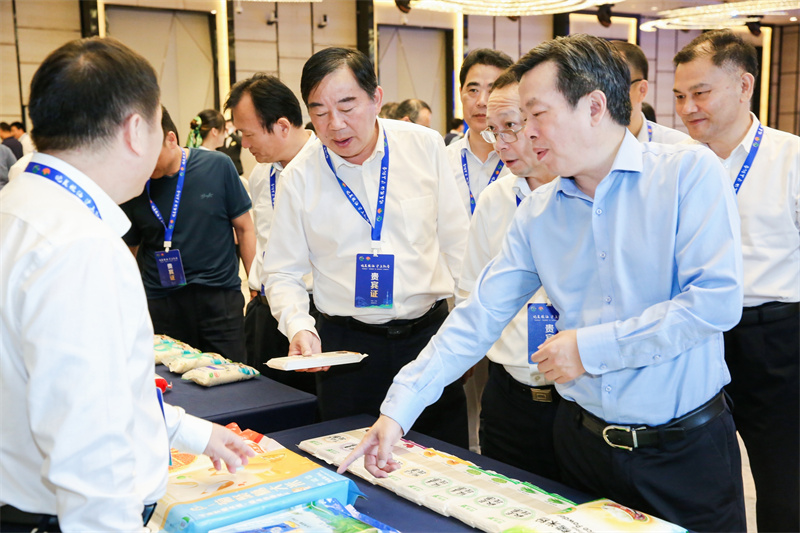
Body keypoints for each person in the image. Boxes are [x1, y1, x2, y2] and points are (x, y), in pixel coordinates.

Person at [339, 34, 746, 532]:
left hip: (685, 455)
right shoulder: (538, 212)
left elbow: (713, 303)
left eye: (537, 115)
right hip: (585, 450)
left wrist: (591, 349)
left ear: (594, 106)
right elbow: (479, 315)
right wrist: (398, 410)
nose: (526, 133)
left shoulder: (686, 174)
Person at [0, 37, 253, 532]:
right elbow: (89, 448)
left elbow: (94, 389)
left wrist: (190, 433)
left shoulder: (20, 211)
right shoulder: (78, 245)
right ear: (137, 129)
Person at [261, 47, 470, 447]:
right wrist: (299, 326)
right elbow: (282, 271)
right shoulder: (300, 176)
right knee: (350, 461)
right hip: (345, 353)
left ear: (376, 98)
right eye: (320, 112)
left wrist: (465, 331)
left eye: (347, 106)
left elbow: (459, 245)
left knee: (443, 457)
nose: (335, 124)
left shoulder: (423, 146)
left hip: (427, 340)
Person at [674, 30, 800, 532]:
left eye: (701, 92)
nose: (688, 108)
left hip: (774, 339)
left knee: (783, 479)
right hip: (694, 333)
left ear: (744, 85)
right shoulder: (676, 164)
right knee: (698, 475)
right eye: (679, 96)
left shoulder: (790, 158)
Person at [458, 69, 560, 477]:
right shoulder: (495, 200)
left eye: (510, 128)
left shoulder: (588, 192)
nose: (500, 144)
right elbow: (472, 293)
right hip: (508, 394)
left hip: (578, 399)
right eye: (493, 131)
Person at [122, 106, 255, 363]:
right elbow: (131, 249)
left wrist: (255, 284)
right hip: (162, 302)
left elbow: (244, 228)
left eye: (150, 155)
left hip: (218, 298)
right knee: (173, 377)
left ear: (171, 139)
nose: (145, 164)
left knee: (231, 373)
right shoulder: (134, 184)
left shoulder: (217, 166)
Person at [225, 73, 318, 394]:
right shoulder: (261, 173)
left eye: (248, 134)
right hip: (266, 311)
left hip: (314, 313)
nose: (244, 144)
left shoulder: (328, 167)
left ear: (282, 126)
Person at [447, 49, 513, 217]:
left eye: (492, 91)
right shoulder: (443, 161)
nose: (482, 102)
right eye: (473, 90)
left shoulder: (526, 164)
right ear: (460, 93)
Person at [610, 41, 688, 144]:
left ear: (642, 90)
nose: (601, 98)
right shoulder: (588, 145)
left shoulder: (677, 147)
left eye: (612, 87)